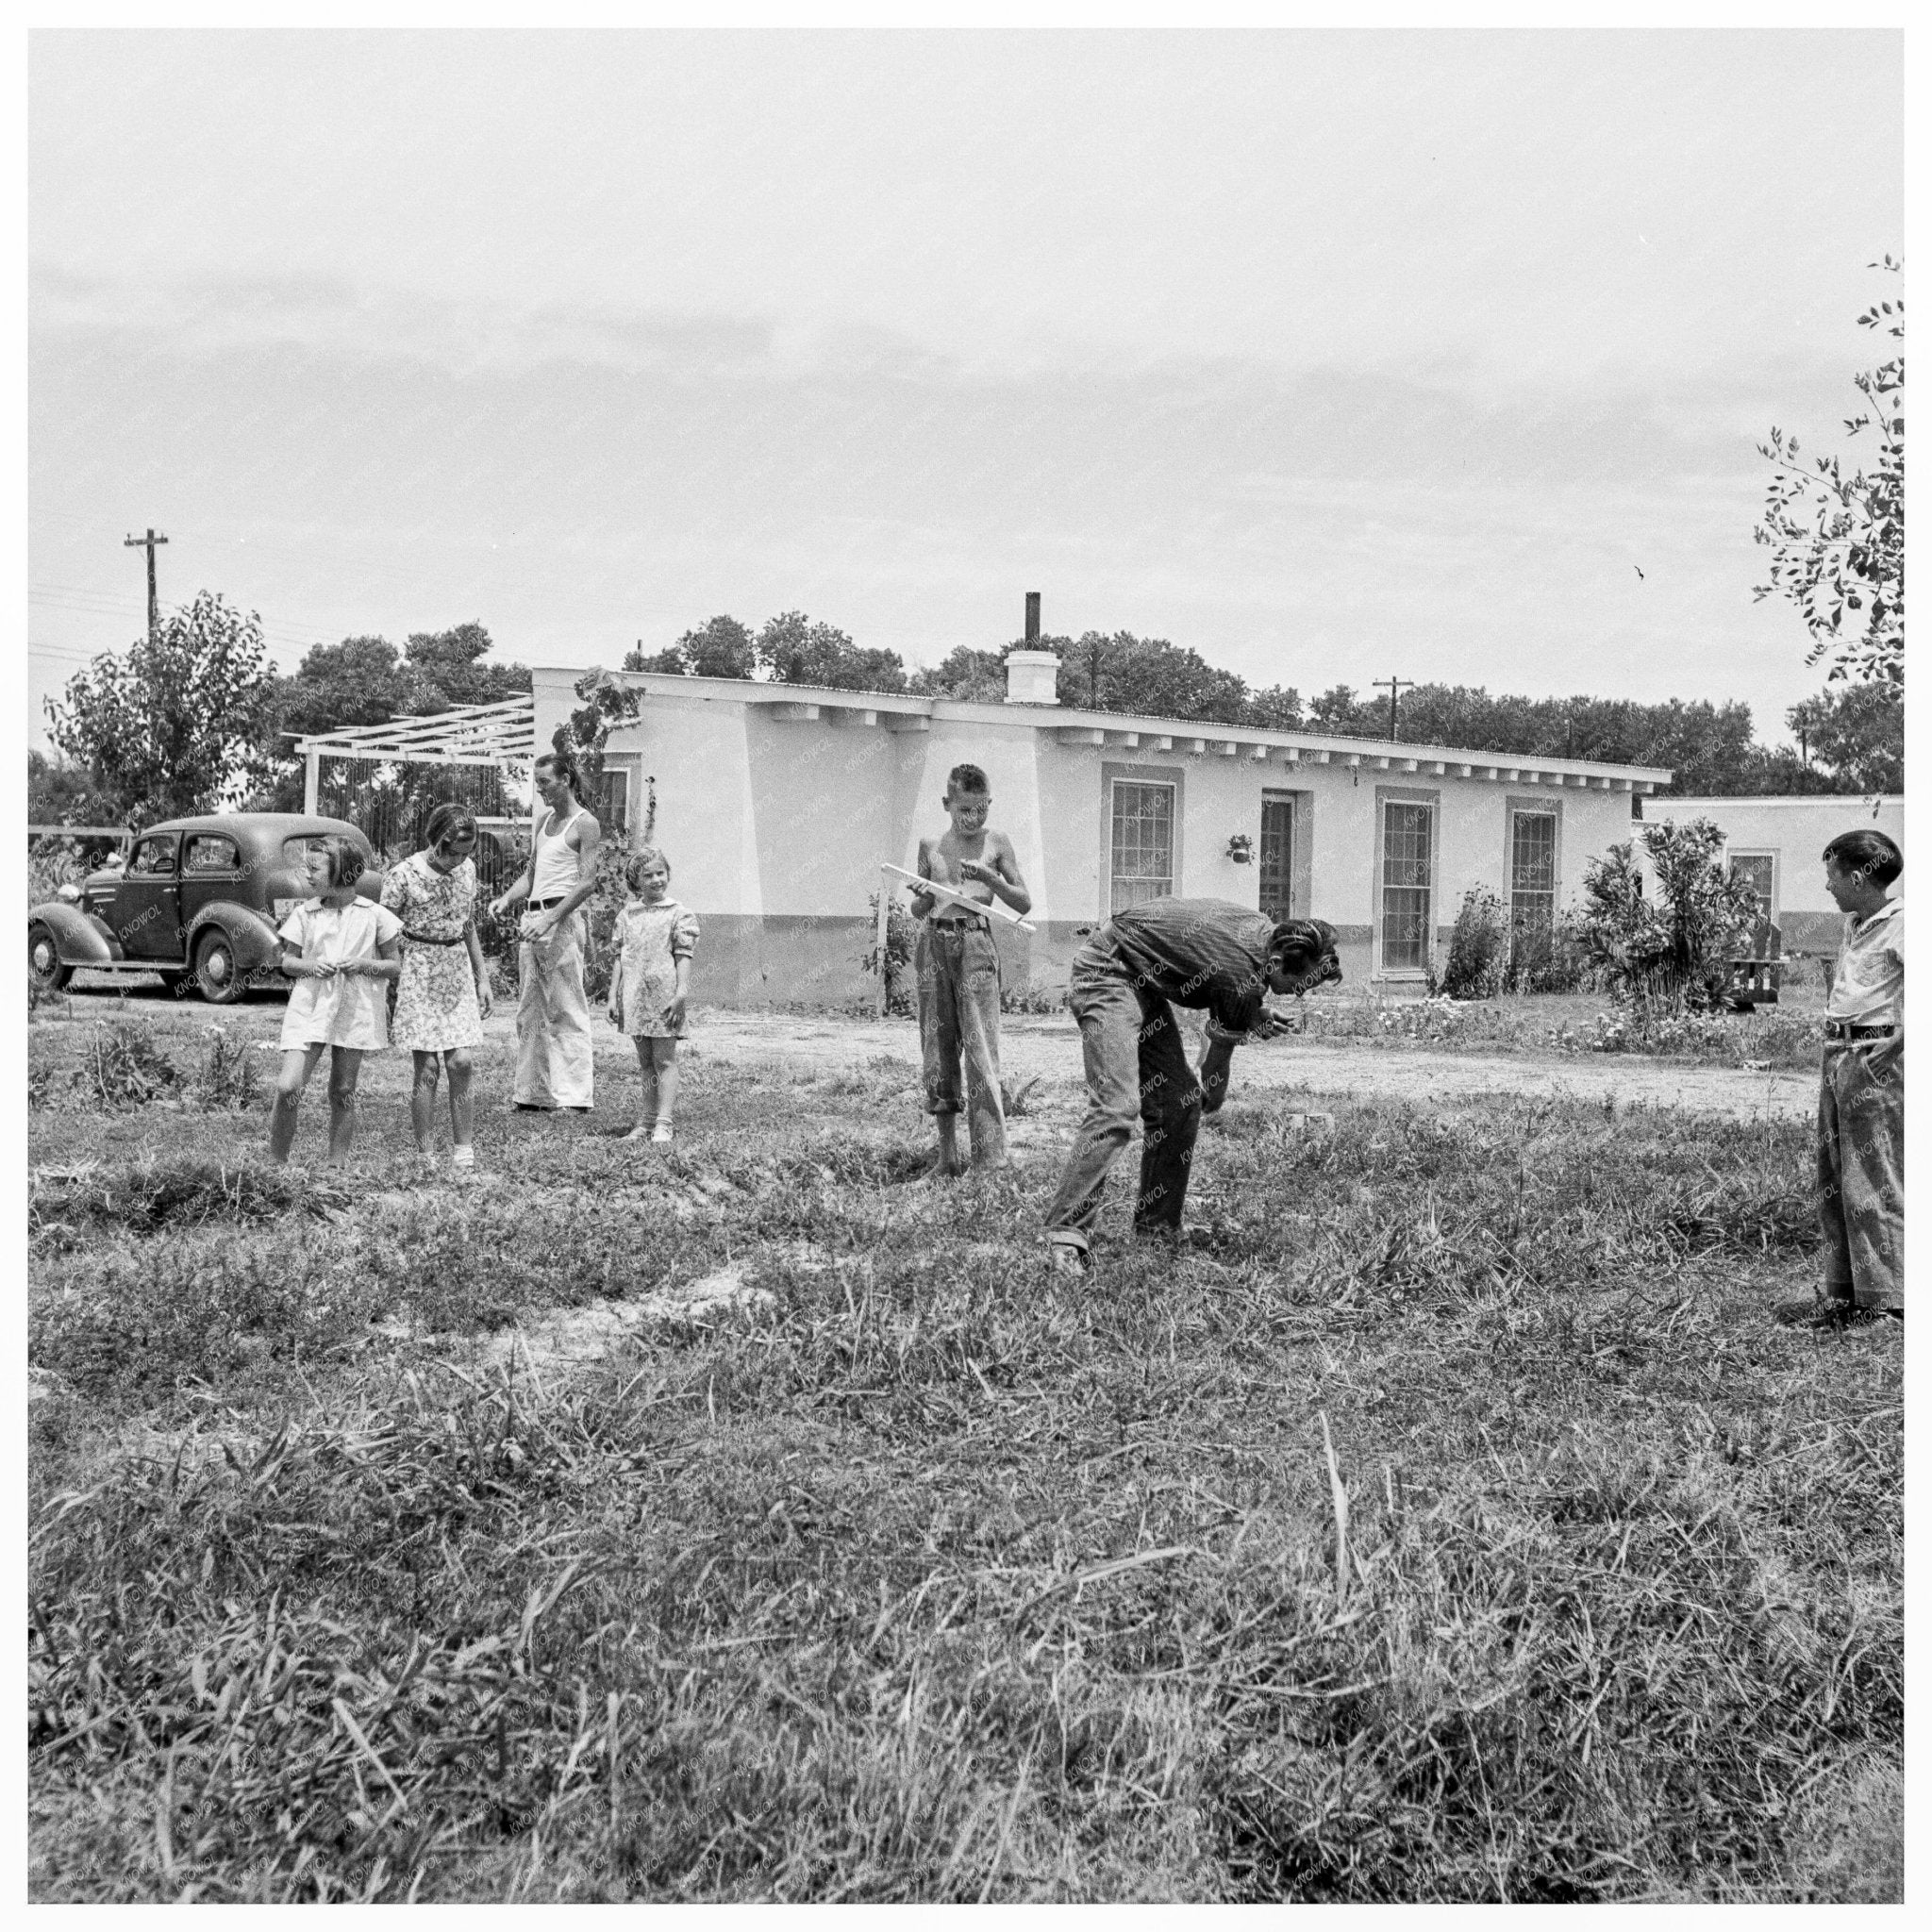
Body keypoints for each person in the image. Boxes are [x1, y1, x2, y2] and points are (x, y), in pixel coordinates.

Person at [1043, 900, 1341, 1274]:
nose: (1299, 995)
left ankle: (1157, 1230)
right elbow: (1214, 1077)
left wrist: (1250, 1015)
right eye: (1301, 985)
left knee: (1179, 1103)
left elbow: (1217, 978)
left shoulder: (1263, 933)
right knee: (1117, 1106)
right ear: (1278, 963)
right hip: (1107, 970)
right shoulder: (1241, 975)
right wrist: (1214, 1087)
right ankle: (1064, 1234)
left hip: (1142, 976)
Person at [908, 763, 1031, 1175]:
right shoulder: (930, 845)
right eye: (964, 810)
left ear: (988, 804)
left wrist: (990, 878)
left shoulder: (997, 842)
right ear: (947, 804)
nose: (973, 818)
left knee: (981, 1049)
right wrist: (924, 896)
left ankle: (990, 1160)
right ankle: (947, 1157)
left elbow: (1023, 903)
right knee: (938, 1049)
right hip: (934, 944)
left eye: (981, 809)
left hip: (976, 945)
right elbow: (917, 909)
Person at [1810, 828, 1904, 1324]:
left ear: (1858, 877)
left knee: (1876, 1175)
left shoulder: (1906, 922)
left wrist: (1897, 1042)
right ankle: (1846, 1291)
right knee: (1834, 1172)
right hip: (1838, 1055)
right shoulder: (1855, 925)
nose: (1827, 886)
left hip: (1875, 1056)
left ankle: (1890, 1300)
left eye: (1831, 876)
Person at [269, 835, 402, 1166]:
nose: (307, 876)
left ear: (342, 871)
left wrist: (364, 965)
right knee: (289, 1087)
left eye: (314, 869)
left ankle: (336, 1165)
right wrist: (312, 966)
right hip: (310, 1004)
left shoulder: (375, 915)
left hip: (354, 1006)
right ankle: (275, 1165)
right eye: (306, 869)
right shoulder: (305, 913)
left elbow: (395, 966)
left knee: (343, 1090)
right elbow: (288, 962)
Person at [381, 803, 494, 1175]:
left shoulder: (467, 871)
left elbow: (468, 924)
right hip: (418, 968)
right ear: (436, 841)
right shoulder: (403, 875)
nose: (460, 861)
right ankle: (425, 1155)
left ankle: (464, 1151)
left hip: (456, 967)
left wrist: (482, 977)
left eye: (467, 854)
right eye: (454, 853)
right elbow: (383, 932)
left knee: (461, 1062)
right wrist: (388, 984)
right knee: (427, 1067)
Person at [490, 749, 602, 1113]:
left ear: (565, 779)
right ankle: (532, 1094)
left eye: (545, 782)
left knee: (566, 1010)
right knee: (530, 1011)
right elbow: (532, 876)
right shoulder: (542, 823)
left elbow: (586, 884)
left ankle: (574, 1097)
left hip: (562, 922)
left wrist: (551, 918)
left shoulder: (585, 824)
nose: (539, 789)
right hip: (532, 923)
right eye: (536, 782)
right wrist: (507, 899)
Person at [606, 846, 701, 1144]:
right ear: (636, 881)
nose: (656, 880)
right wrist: (613, 996)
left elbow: (683, 955)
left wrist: (681, 992)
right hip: (636, 998)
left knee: (664, 1060)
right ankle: (646, 1122)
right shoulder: (628, 915)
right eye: (648, 875)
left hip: (664, 997)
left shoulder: (678, 913)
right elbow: (621, 957)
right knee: (645, 1061)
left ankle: (664, 1122)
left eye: (661, 873)